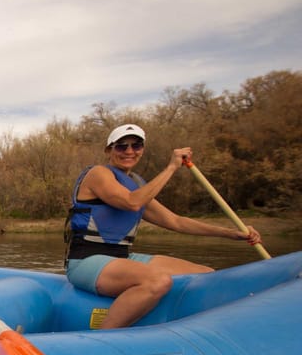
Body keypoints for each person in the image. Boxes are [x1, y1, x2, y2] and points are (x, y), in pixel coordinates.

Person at [65, 124, 262, 329]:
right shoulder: (99, 174)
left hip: (122, 257)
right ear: (109, 150)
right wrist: (171, 167)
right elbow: (132, 202)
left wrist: (231, 233)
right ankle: (103, 338)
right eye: (121, 146)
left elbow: (175, 221)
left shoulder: (137, 185)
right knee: (158, 281)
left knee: (206, 274)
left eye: (136, 145)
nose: (129, 151)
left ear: (142, 149)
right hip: (86, 260)